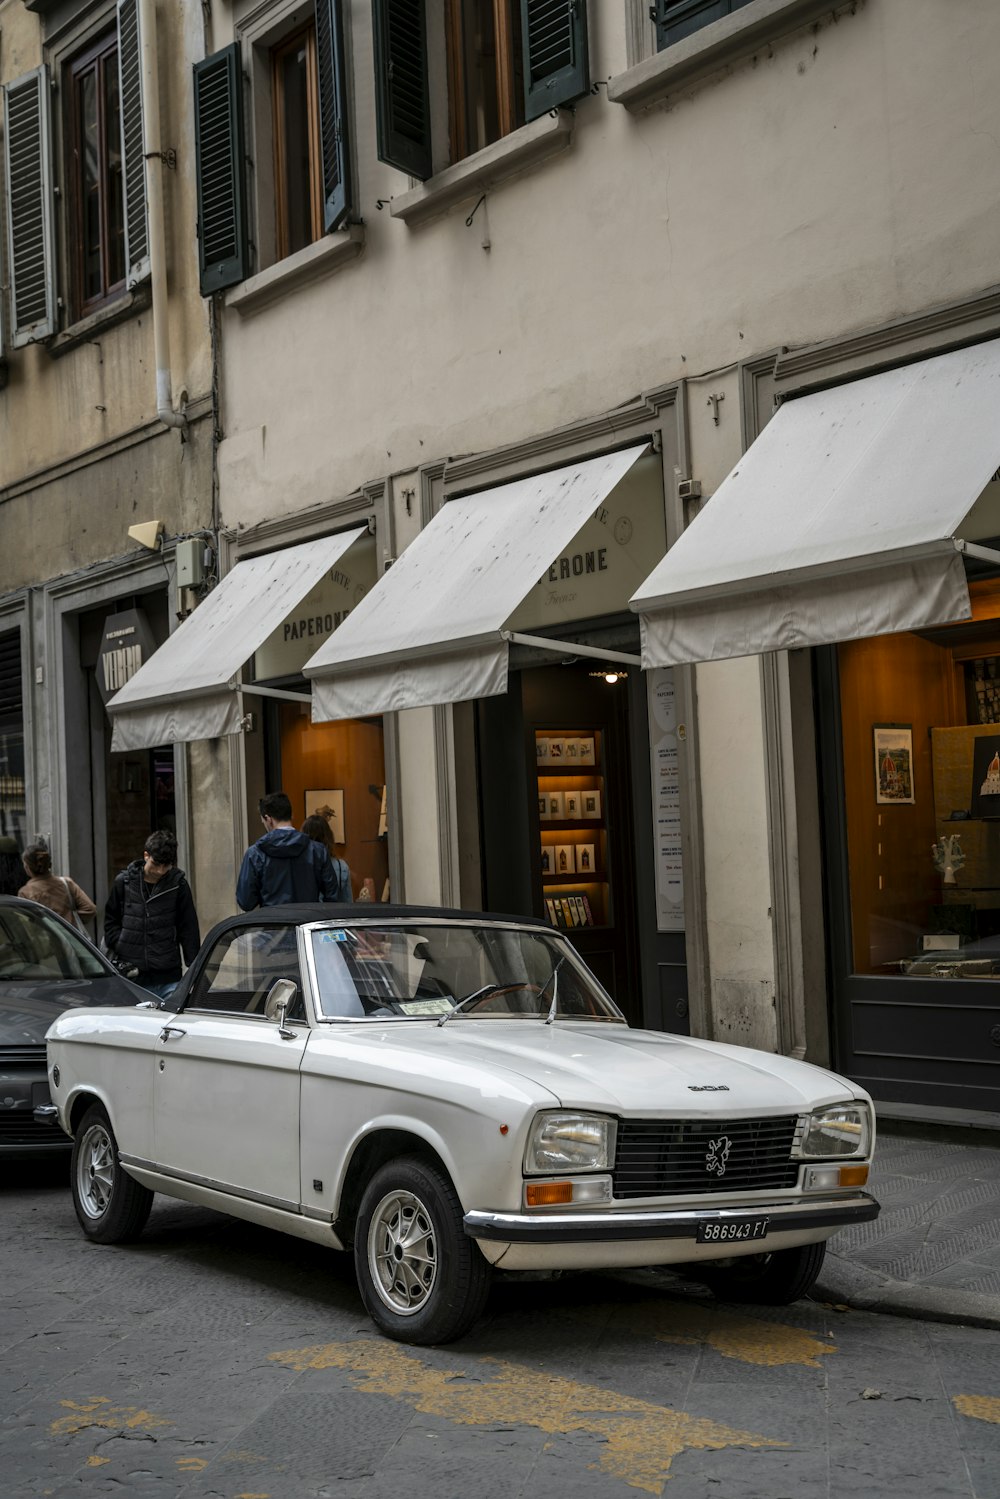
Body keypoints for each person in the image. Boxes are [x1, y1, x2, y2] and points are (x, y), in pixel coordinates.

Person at [104, 829, 200, 1000]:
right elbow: (111, 921)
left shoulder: (178, 885)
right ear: (146, 855)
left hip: (168, 975)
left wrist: (194, 969)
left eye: (166, 866)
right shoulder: (124, 883)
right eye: (156, 864)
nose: (160, 871)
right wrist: (121, 943)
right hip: (132, 975)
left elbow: (188, 929)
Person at [237, 792, 340, 910]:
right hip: (308, 922)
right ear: (292, 815)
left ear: (268, 819)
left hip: (272, 924)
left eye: (263, 821)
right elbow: (332, 896)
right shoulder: (317, 851)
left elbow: (245, 901)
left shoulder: (255, 854)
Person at [18, 842, 97, 930]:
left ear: (27, 867)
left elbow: (26, 924)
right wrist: (68, 919)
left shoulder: (25, 892)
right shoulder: (66, 883)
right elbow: (90, 909)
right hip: (69, 939)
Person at [301, 813, 353, 902]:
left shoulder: (299, 865)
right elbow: (348, 901)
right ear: (329, 836)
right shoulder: (341, 866)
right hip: (333, 914)